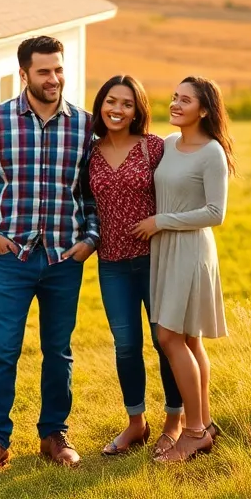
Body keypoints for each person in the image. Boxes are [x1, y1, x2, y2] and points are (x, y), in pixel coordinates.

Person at [0, 35, 100, 477]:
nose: (54, 78)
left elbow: (94, 192)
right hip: (12, 259)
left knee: (59, 351)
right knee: (3, 351)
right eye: (44, 71)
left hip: (63, 259)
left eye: (59, 69)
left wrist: (90, 239)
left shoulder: (84, 126)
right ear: (24, 74)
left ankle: (53, 435)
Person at [131, 75, 236, 463]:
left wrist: (161, 221)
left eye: (185, 100)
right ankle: (204, 426)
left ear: (204, 110)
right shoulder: (169, 144)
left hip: (190, 249)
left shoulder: (212, 153)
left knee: (169, 336)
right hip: (166, 250)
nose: (175, 104)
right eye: (174, 97)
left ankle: (192, 433)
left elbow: (216, 212)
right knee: (190, 340)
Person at [86, 74, 186, 457]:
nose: (118, 109)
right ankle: (136, 424)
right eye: (112, 101)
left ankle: (174, 423)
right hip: (110, 263)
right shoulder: (90, 153)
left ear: (137, 110)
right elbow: (85, 205)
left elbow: (182, 185)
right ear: (101, 104)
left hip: (155, 262)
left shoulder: (154, 148)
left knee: (166, 343)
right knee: (126, 346)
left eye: (127, 104)